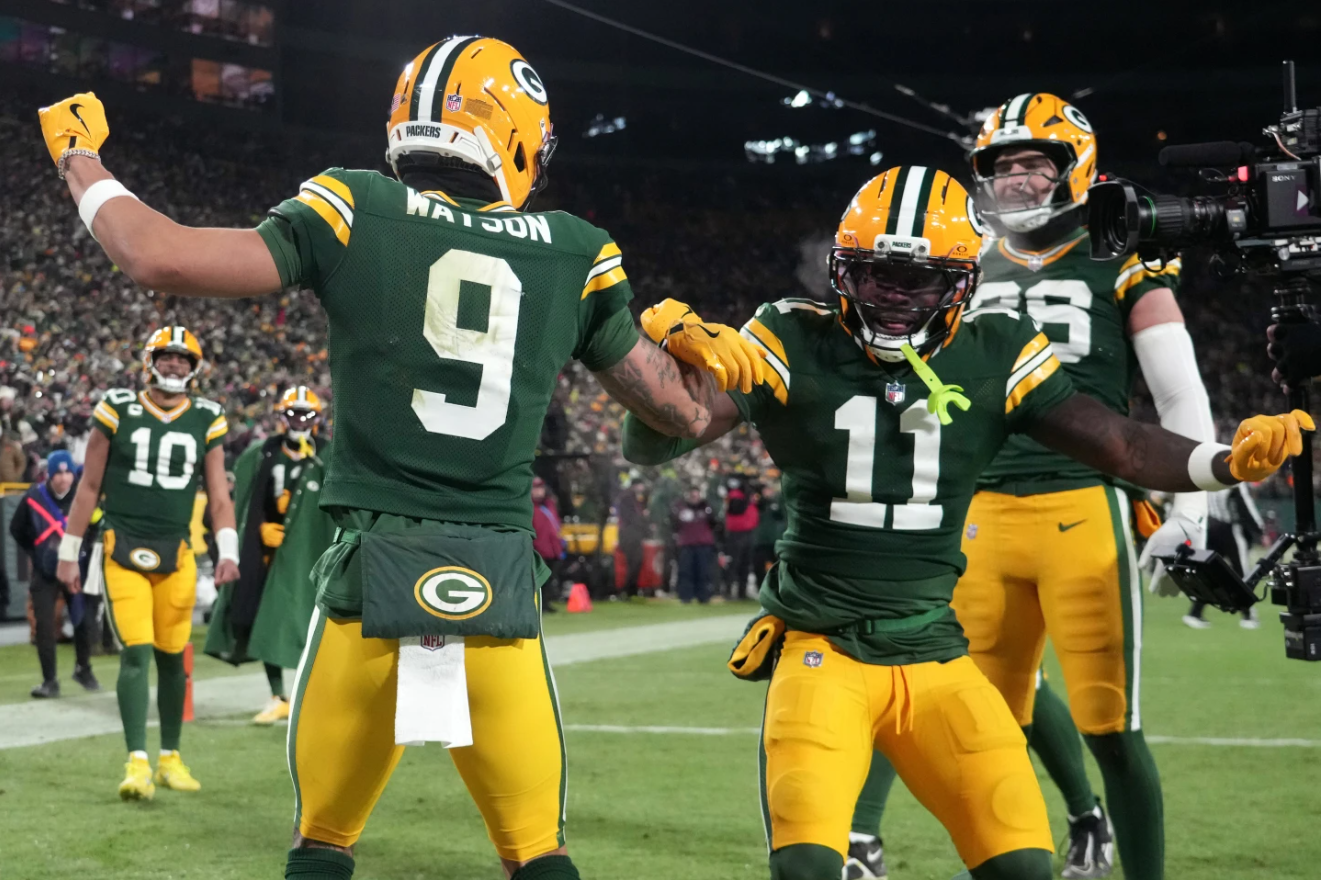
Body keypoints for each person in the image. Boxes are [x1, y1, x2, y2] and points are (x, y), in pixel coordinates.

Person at [38, 36, 763, 880]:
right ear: (522, 135)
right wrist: (742, 361)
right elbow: (677, 419)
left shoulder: (355, 205)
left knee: (321, 847)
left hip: (366, 591)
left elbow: (153, 252)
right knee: (538, 856)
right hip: (494, 585)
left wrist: (79, 157)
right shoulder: (575, 250)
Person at [622, 165, 1303, 880]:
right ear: (838, 269)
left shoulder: (996, 348)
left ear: (961, 284)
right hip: (820, 651)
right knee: (807, 871)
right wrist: (663, 372)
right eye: (873, 273)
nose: (889, 296)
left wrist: (1224, 463)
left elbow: (1119, 443)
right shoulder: (791, 333)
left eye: (914, 281)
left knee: (1024, 867)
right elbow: (662, 441)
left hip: (935, 655)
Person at [54, 326, 241, 801]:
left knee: (174, 657)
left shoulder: (207, 416)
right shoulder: (117, 407)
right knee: (136, 652)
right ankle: (136, 760)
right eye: (167, 356)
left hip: (177, 550)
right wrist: (67, 551)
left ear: (195, 367)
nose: (175, 365)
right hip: (121, 544)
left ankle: (170, 758)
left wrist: (228, 551)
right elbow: (89, 487)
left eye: (183, 358)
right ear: (149, 360)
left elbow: (219, 494)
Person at [205, 386, 335, 724]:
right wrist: (260, 529)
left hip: (311, 552)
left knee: (313, 625)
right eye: (293, 414)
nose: (299, 421)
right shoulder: (261, 454)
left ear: (318, 419)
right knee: (266, 621)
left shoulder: (328, 456)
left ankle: (313, 696)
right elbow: (246, 503)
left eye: (306, 415)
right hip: (266, 554)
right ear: (281, 417)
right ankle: (278, 694)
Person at [9, 450, 99, 698]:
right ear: (49, 474)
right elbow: (16, 529)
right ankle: (50, 680)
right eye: (58, 472)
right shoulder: (33, 497)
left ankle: (84, 668)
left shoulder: (83, 496)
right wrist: (36, 552)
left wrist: (83, 555)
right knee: (45, 626)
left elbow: (94, 526)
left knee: (82, 620)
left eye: (68, 472)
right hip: (45, 571)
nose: (63, 478)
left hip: (75, 569)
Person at [1182, 483, 1265, 629]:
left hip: (1210, 528)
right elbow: (1245, 505)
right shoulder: (1234, 481)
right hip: (1229, 529)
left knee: (1208, 573)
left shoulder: (1207, 478)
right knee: (1241, 574)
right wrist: (1259, 529)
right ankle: (1248, 615)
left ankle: (1194, 613)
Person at [672, 486, 718, 604]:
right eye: (692, 495)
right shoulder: (680, 508)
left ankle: (703, 596)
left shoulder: (706, 507)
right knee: (685, 571)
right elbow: (674, 524)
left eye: (696, 495)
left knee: (703, 571)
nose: (694, 498)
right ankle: (685, 596)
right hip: (686, 544)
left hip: (703, 544)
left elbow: (714, 523)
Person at [722, 473, 760, 599]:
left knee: (746, 563)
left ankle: (742, 592)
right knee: (734, 563)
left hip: (748, 532)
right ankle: (728, 591)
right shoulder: (734, 495)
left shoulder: (747, 496)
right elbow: (736, 509)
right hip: (736, 533)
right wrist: (747, 497)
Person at [531, 476, 564, 610]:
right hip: (538, 549)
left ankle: (546, 603)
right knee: (538, 579)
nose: (539, 492)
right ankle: (538, 604)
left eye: (541, 488)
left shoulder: (549, 505)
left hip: (552, 549)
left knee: (549, 578)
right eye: (536, 488)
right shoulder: (530, 507)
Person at [615, 480, 650, 598]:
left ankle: (631, 589)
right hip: (629, 536)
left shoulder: (635, 499)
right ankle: (628, 590)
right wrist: (643, 522)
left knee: (635, 562)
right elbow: (631, 518)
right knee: (634, 562)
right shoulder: (627, 499)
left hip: (633, 535)